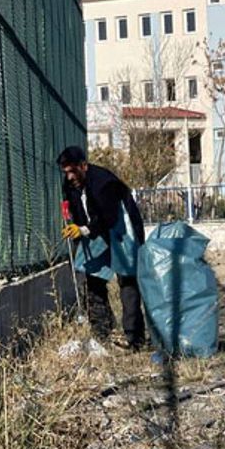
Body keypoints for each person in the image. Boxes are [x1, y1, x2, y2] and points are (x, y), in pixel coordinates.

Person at [58, 146, 146, 350]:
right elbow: (75, 208)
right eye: (66, 172)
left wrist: (84, 230)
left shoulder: (104, 183)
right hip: (95, 229)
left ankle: (135, 339)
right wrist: (74, 226)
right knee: (92, 277)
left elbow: (109, 217)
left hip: (121, 229)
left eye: (73, 171)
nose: (70, 177)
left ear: (84, 166)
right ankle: (102, 334)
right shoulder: (70, 184)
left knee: (127, 281)